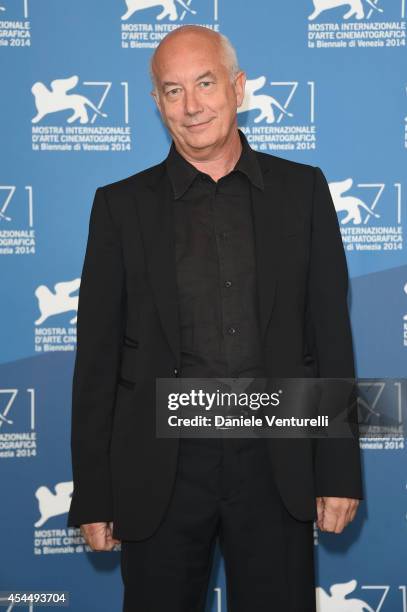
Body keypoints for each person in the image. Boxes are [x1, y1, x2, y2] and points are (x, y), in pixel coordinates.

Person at [67, 25, 363, 612]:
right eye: (172, 91)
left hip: (276, 465)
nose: (192, 105)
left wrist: (340, 474)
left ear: (238, 87)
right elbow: (96, 362)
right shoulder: (119, 206)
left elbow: (330, 337)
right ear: (156, 104)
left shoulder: (303, 191)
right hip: (159, 472)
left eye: (204, 83)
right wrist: (94, 495)